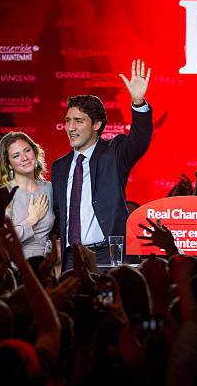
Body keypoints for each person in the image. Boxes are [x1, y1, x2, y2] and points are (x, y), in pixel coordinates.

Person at [52, 59, 153, 269]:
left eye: (78, 121)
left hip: (109, 255)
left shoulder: (113, 153)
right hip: (72, 259)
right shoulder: (59, 167)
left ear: (96, 125)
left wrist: (138, 102)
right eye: (68, 120)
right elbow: (59, 213)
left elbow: (139, 139)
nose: (70, 127)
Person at [0, 132, 54, 259]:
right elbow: (0, 241)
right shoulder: (3, 195)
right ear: (8, 164)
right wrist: (31, 220)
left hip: (45, 268)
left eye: (27, 150)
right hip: (17, 268)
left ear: (34, 152)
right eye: (16, 155)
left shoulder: (48, 188)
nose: (24, 158)